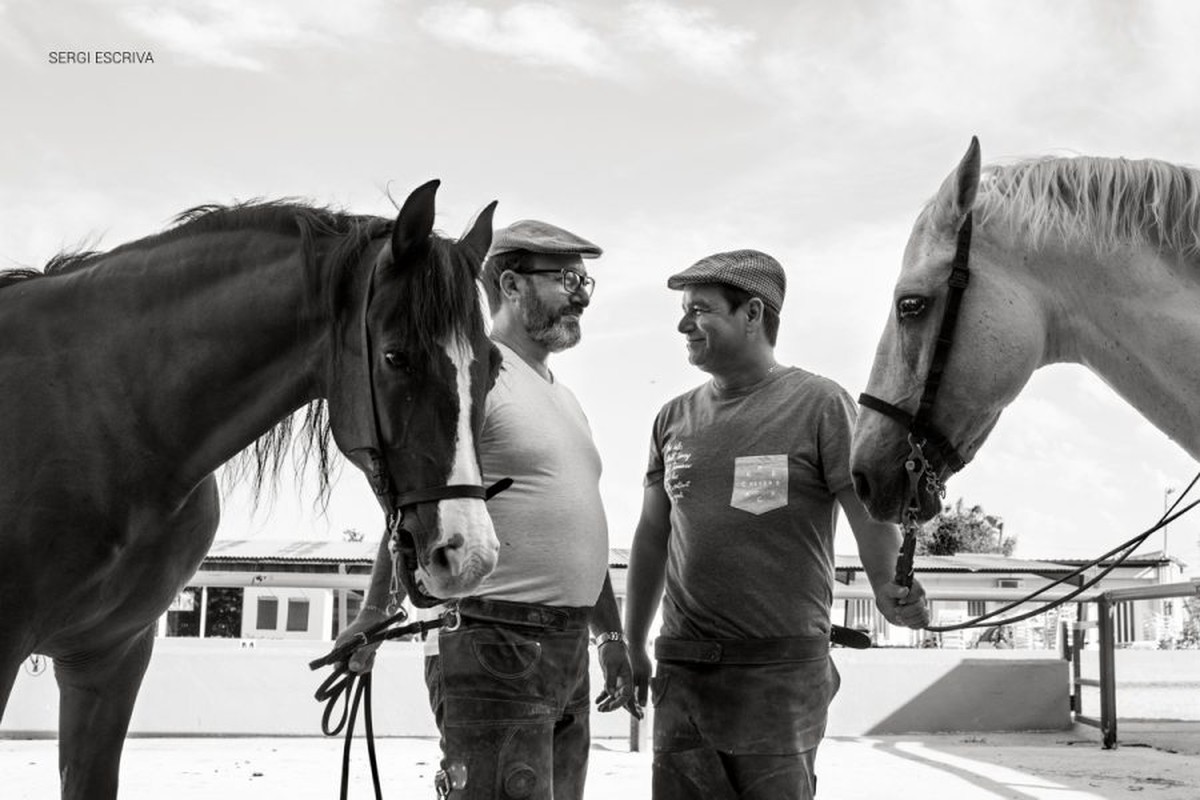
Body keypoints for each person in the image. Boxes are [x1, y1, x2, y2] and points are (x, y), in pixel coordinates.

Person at [340, 220, 634, 800]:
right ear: (512, 284)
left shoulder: (563, 396)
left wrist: (609, 636)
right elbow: (418, 499)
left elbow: (576, 524)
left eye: (586, 282)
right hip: (494, 639)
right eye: (568, 279)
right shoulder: (474, 376)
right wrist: (374, 613)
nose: (580, 294)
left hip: (567, 645)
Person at [623, 249, 931, 799]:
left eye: (700, 309)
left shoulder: (819, 404)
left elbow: (866, 515)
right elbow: (652, 536)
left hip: (780, 673)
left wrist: (890, 589)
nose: (682, 324)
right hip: (684, 669)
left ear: (754, 314)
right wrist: (633, 641)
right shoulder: (672, 417)